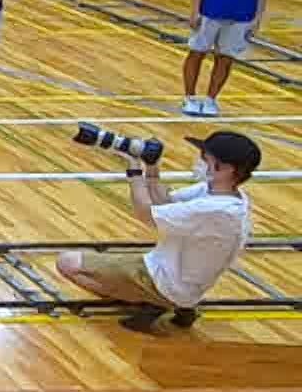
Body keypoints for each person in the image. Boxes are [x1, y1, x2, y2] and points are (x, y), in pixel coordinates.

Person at [57, 131, 258, 331]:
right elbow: (165, 202)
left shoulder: (216, 210)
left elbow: (145, 213)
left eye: (205, 159)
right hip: (180, 279)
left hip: (164, 281)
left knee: (67, 262)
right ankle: (176, 304)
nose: (200, 162)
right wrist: (152, 168)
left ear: (226, 169)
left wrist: (134, 171)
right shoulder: (225, 195)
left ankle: (153, 301)